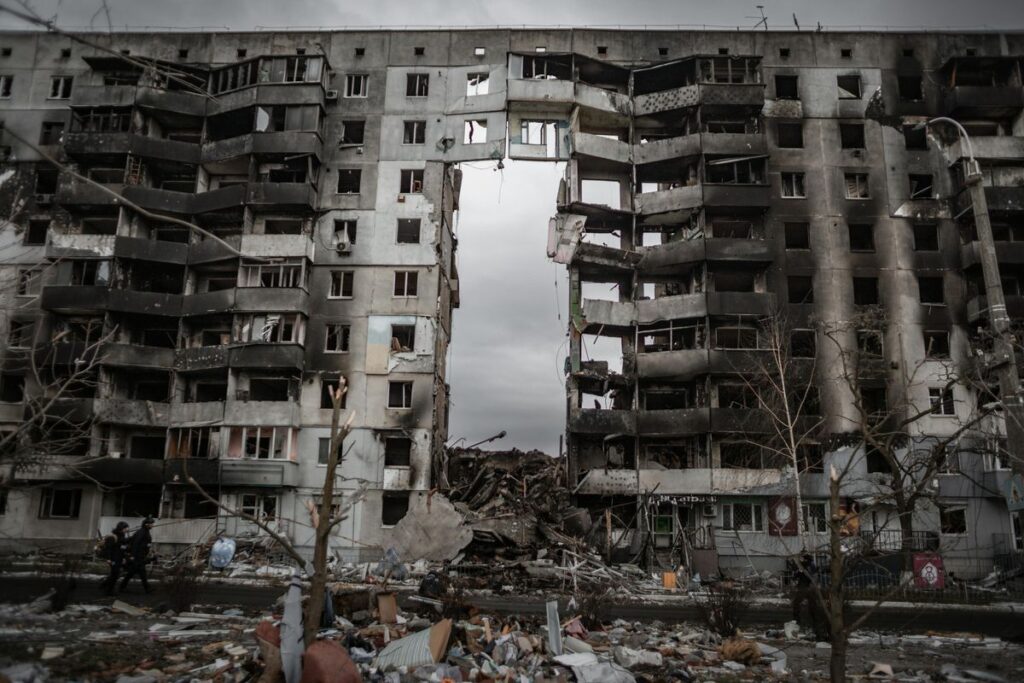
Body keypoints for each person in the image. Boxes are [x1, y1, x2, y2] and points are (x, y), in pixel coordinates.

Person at [790, 552, 826, 639]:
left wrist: (797, 573)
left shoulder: (806, 566)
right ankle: (815, 625)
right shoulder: (811, 566)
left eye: (803, 559)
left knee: (796, 605)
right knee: (812, 607)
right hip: (810, 589)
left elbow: (797, 576)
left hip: (804, 588)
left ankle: (797, 621)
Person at [119, 518, 155, 594]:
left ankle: (122, 587)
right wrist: (133, 555)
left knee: (132, 573)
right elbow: (136, 544)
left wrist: (148, 548)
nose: (152, 525)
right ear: (146, 524)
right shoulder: (142, 532)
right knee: (142, 573)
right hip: (138, 556)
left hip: (140, 556)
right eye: (151, 524)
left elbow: (145, 543)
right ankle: (147, 589)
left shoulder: (145, 531)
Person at [97, 521, 129, 595]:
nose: (127, 529)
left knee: (115, 574)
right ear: (121, 528)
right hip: (113, 559)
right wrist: (109, 559)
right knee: (115, 574)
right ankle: (108, 590)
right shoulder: (114, 537)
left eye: (127, 528)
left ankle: (105, 586)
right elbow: (109, 549)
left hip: (119, 558)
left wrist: (124, 557)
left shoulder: (122, 536)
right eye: (125, 528)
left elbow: (122, 548)